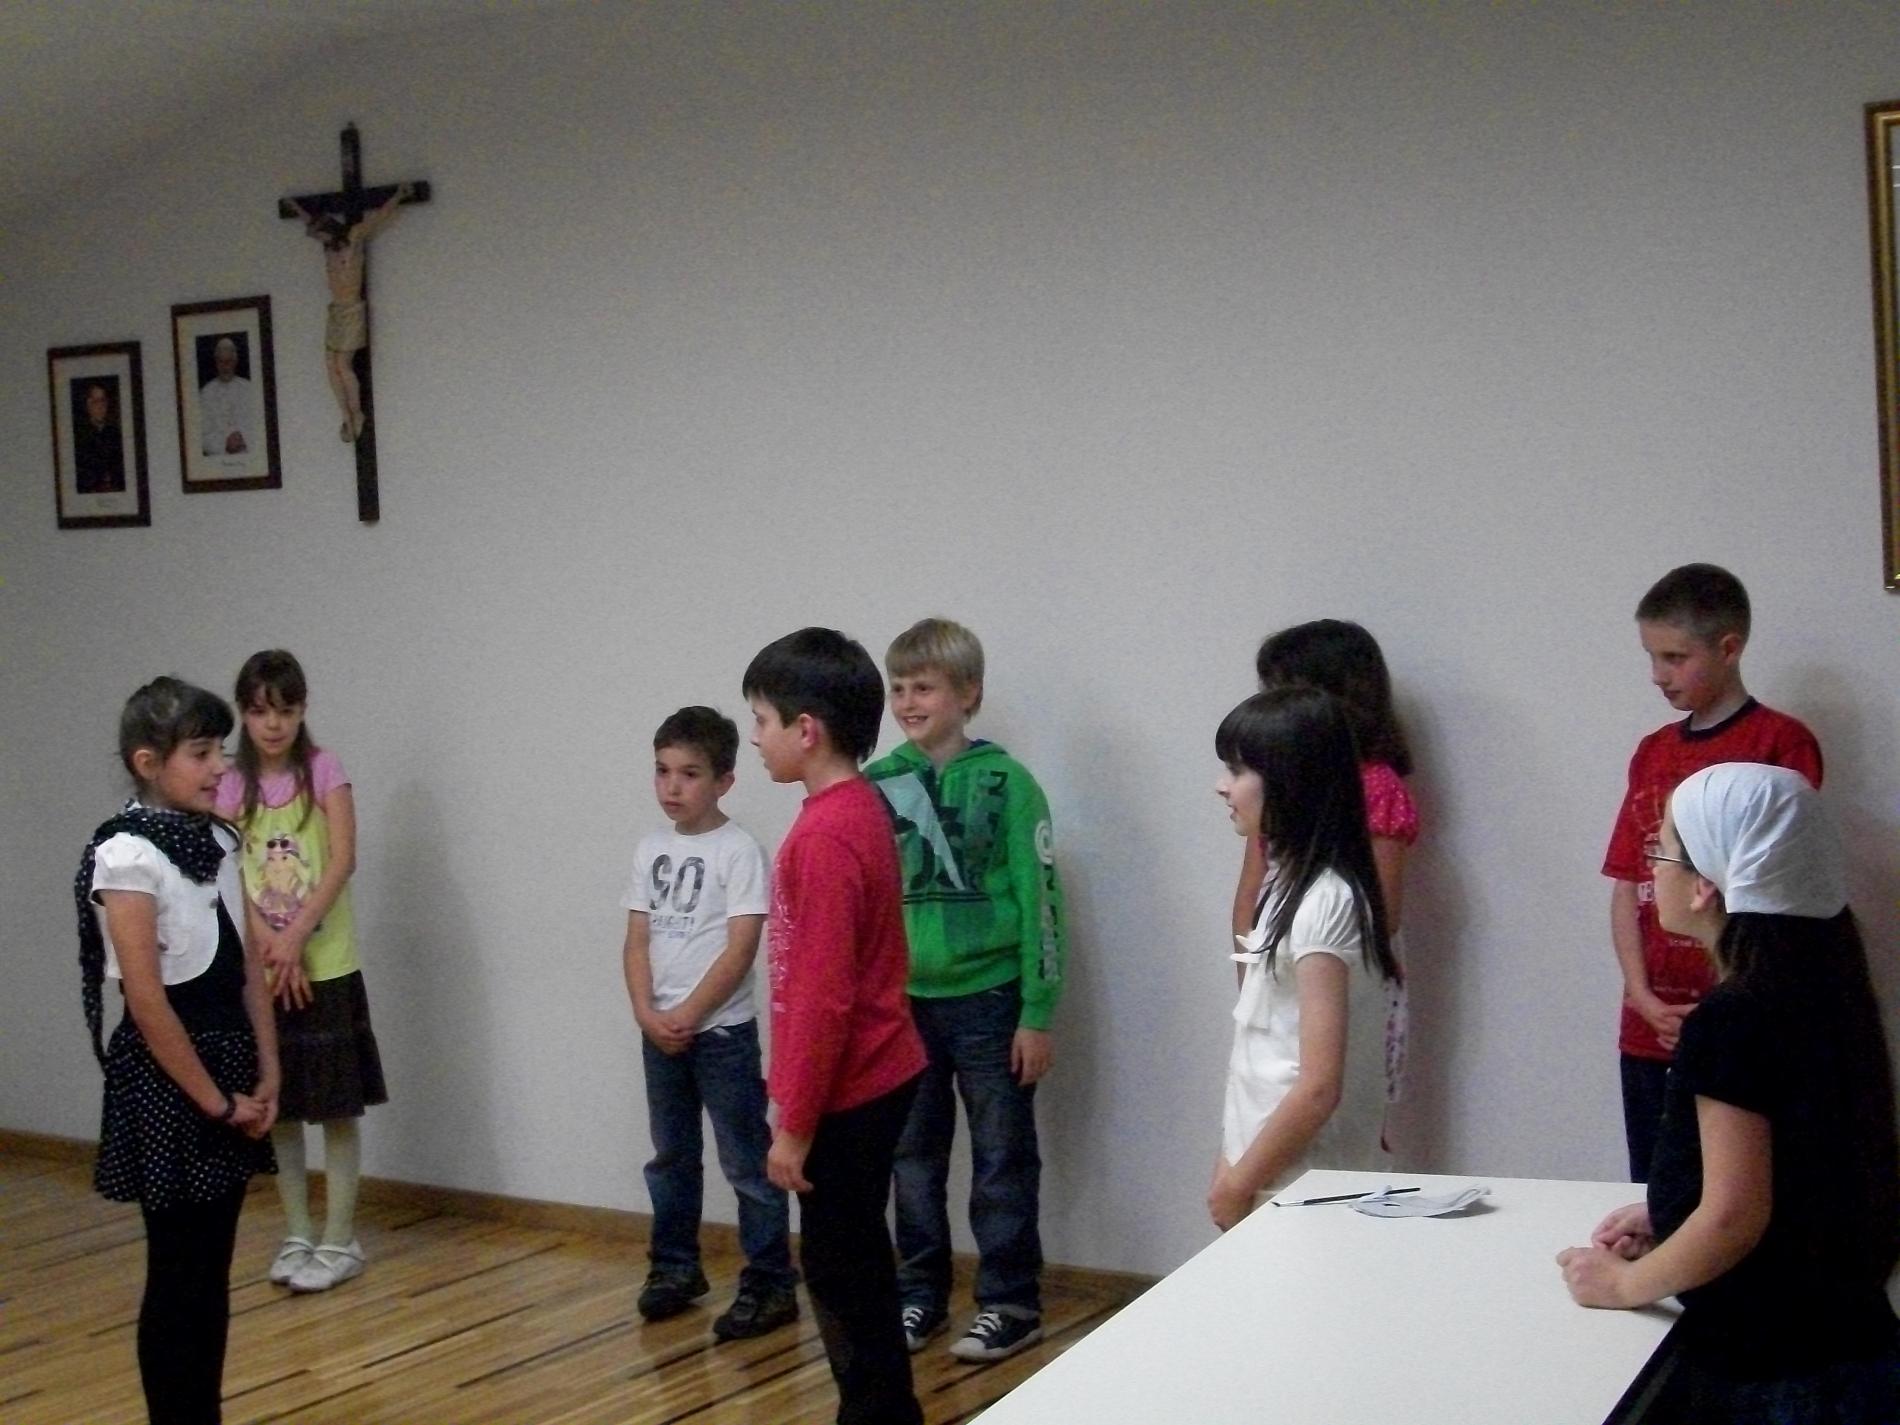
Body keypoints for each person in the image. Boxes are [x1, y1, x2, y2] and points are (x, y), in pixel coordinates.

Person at [1558, 764, 1900, 1421]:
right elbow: (1794, 1175)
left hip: (1775, 1378)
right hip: (1853, 1353)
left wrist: (1625, 1284)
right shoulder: (1825, 990)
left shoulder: (1732, 1017)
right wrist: (1672, 1210)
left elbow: (1733, 1217)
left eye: (1662, 850)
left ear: (1706, 886)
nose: (1651, 867)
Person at [74, 677, 278, 1425]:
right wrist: (216, 1102)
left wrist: (268, 1070)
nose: (221, 766)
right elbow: (148, 1000)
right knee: (177, 1270)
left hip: (230, 1067)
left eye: (221, 749)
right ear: (148, 761)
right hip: (172, 1079)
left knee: (213, 1271)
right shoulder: (126, 854)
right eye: (201, 753)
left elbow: (248, 966)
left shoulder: (221, 839)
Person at [863, 618, 1066, 1362]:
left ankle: (1011, 1302)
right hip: (905, 1005)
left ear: (968, 693)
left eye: (924, 687)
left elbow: (1042, 900)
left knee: (1002, 1156)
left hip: (992, 1001)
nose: (908, 702)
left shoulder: (1011, 784)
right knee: (911, 1158)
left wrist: (1036, 1011)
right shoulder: (876, 784)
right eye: (898, 688)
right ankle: (918, 1295)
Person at [743, 628, 928, 1425]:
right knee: (853, 1263)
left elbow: (823, 997)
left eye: (761, 720)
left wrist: (794, 1125)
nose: (756, 737)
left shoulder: (824, 834)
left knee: (840, 1271)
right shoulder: (855, 809)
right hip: (873, 1074)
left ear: (806, 728)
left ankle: (877, 1414)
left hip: (852, 1088)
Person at [1601, 564, 1821, 1181]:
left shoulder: (1780, 743)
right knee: (1656, 1189)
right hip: (1650, 1028)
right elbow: (1628, 884)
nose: (1658, 674)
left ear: (1729, 648)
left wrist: (1730, 1001)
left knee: (1735, 1185)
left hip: (1740, 1018)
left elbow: (1779, 900)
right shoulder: (1652, 752)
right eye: (1652, 657)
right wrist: (1641, 994)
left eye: (1675, 657)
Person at [620, 705, 798, 1339]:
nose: (672, 786)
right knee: (671, 1156)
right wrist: (648, 1013)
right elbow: (637, 940)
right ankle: (674, 1268)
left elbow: (740, 949)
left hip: (720, 1036)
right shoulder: (650, 848)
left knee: (747, 1162)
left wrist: (689, 1016)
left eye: (689, 773)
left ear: (724, 780)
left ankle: (771, 1281)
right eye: (663, 771)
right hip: (661, 1035)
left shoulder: (740, 851)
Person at [215, 650, 387, 1293]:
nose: (273, 724)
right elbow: (226, 870)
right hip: (263, 969)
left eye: (285, 711)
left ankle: (340, 1239)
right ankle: (297, 1232)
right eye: (260, 712)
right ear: (244, 714)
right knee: (278, 1103)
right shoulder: (231, 785)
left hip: (327, 963)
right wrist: (269, 943)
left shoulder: (324, 770)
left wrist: (296, 938)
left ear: (302, 710)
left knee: (336, 1106)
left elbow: (342, 859)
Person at [1210, 686, 1399, 1232]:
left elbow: (1319, 1086)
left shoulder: (1327, 901)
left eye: (1238, 770)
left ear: (1289, 780)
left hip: (1306, 1185)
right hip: (1270, 1173)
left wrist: (1241, 1181)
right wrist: (1231, 1161)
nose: (1222, 786)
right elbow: (1259, 1051)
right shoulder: (1285, 887)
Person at [1236, 619, 1418, 1104]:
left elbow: (1381, 913)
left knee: (1338, 1101)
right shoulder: (1275, 789)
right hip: (1275, 968)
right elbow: (1249, 895)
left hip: (1343, 977)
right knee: (1269, 1103)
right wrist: (1251, 990)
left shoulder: (1376, 787)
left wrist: (1312, 962)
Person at [289, 183, 413, 443]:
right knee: (329, 364)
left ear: (329, 229)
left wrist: (398, 197)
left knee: (342, 365)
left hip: (351, 308)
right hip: (336, 310)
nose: (319, 240)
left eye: (320, 234)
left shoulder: (354, 237)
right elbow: (309, 221)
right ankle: (344, 414)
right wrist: (295, 207)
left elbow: (378, 218)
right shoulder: (330, 248)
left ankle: (356, 413)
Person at [198, 338, 258, 459]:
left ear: (235, 362)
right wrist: (225, 443)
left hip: (249, 456)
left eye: (229, 361)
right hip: (218, 458)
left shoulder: (250, 388)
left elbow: (260, 426)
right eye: (221, 361)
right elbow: (200, 435)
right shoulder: (205, 393)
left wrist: (243, 439)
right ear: (216, 363)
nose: (225, 366)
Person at [73, 381, 126, 494]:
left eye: (103, 401)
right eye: (95, 401)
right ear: (88, 405)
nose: (100, 406)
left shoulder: (115, 433)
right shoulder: (79, 435)